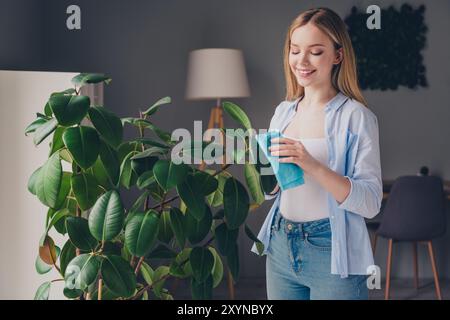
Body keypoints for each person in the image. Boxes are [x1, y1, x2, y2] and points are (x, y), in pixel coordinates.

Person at [251, 7, 383, 300]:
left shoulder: (356, 117)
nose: (302, 61)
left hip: (333, 250)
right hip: (281, 244)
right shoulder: (282, 113)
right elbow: (276, 189)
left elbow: (371, 203)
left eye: (315, 51)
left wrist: (311, 163)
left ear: (337, 55)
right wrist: (261, 168)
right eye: (295, 50)